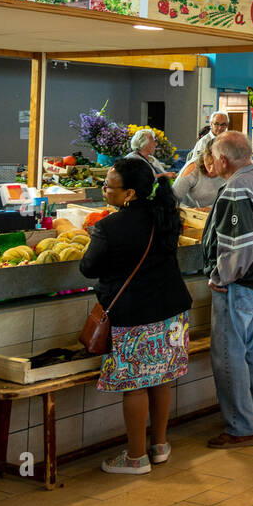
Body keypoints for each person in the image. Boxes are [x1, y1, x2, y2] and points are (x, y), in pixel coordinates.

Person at [79, 158, 192, 474]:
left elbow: (88, 268)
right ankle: (159, 445)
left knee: (136, 385)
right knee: (162, 377)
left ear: (129, 193)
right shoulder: (166, 216)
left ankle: (135, 457)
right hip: (171, 311)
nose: (104, 190)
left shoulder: (109, 227)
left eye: (109, 186)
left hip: (135, 316)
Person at [202, 131, 253, 448]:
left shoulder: (237, 188)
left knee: (228, 356)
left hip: (240, 285)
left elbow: (240, 245)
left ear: (222, 159)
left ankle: (242, 426)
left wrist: (222, 277)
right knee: (248, 349)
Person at [172, 135, 226, 207]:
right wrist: (192, 211)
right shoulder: (192, 168)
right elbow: (172, 200)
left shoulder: (232, 170)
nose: (211, 170)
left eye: (216, 166)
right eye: (208, 164)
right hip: (190, 212)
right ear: (204, 158)